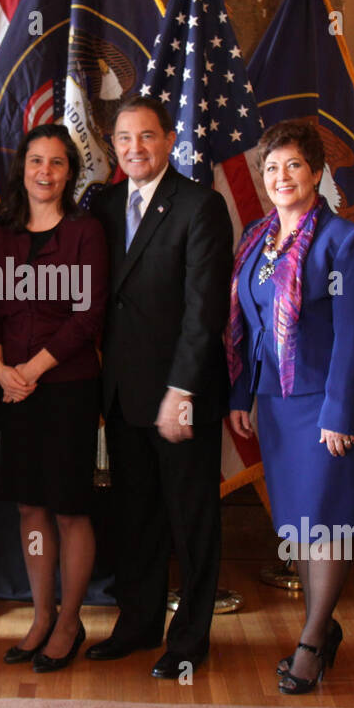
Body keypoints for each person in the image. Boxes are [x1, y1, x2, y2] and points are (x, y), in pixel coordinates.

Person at [226, 119, 354, 694]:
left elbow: (353, 334)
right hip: (275, 403)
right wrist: (242, 394)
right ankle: (322, 628)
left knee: (327, 524)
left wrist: (340, 410)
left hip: (324, 405)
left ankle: (311, 641)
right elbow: (248, 328)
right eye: (271, 167)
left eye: (293, 165)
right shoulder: (258, 241)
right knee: (303, 527)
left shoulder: (344, 241)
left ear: (316, 173)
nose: (281, 176)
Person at [89, 95, 232, 678]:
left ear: (169, 140)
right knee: (136, 515)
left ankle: (190, 638)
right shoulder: (99, 205)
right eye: (124, 139)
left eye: (146, 137)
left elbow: (205, 313)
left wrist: (183, 391)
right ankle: (140, 622)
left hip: (180, 397)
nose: (134, 149)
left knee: (190, 518)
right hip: (121, 393)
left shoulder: (201, 206)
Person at [0, 124, 108, 673]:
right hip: (11, 389)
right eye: (37, 161)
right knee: (30, 506)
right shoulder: (3, 230)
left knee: (69, 508)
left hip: (66, 389)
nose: (45, 172)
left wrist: (30, 369)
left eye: (57, 163)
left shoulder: (87, 232)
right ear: (24, 168)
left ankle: (69, 620)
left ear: (69, 173)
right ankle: (40, 613)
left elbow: (89, 315)